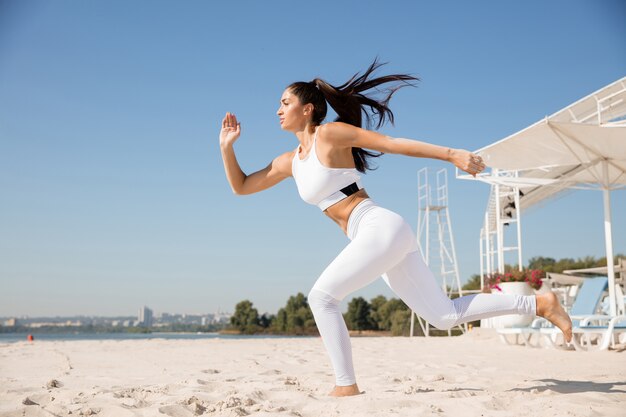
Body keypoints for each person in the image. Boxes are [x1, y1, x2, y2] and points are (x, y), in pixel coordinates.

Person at [219, 60, 572, 397]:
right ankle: (538, 303)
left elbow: (391, 144)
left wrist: (452, 154)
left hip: (378, 227)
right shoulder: (289, 161)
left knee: (321, 297)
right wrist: (227, 148)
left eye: (285, 102)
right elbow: (242, 186)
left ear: (308, 108)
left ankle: (346, 385)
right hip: (377, 237)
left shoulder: (330, 135)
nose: (278, 110)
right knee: (444, 316)